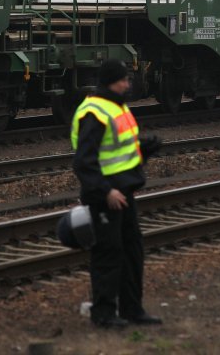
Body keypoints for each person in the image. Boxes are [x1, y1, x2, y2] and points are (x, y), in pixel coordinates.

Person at [70, 59, 163, 328]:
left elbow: (120, 151)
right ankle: (104, 314)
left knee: (132, 251)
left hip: (123, 193)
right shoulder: (95, 112)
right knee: (108, 254)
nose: (128, 83)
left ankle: (132, 310)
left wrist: (145, 149)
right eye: (125, 79)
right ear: (113, 81)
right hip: (106, 197)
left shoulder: (114, 106)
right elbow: (84, 162)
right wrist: (106, 191)